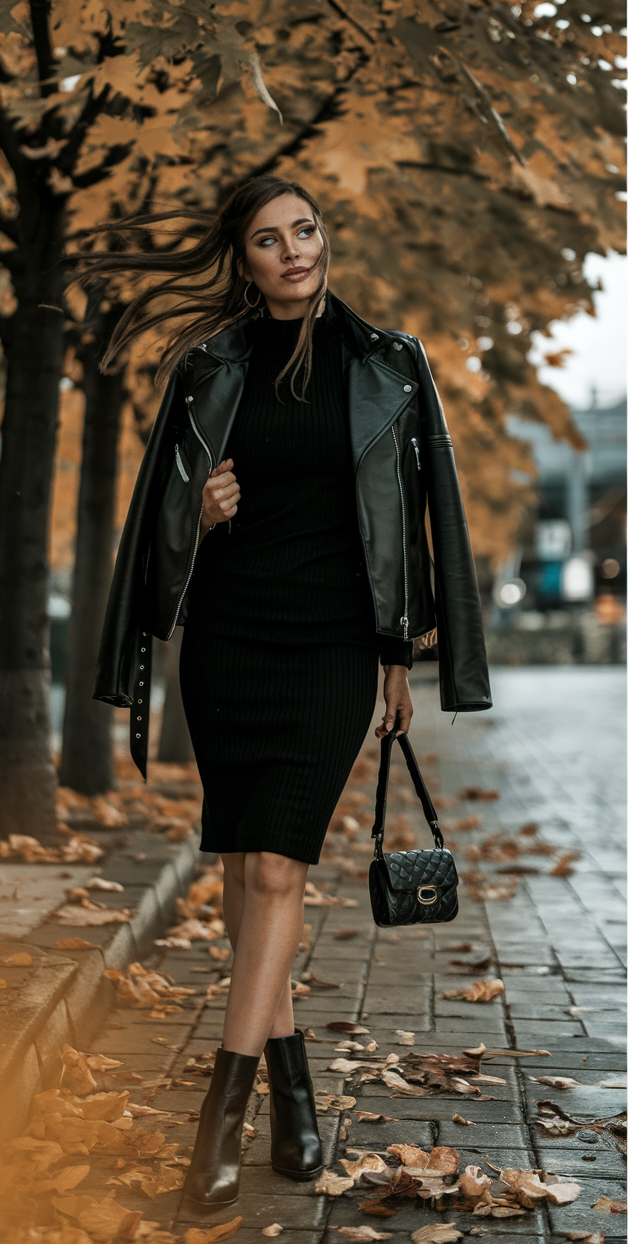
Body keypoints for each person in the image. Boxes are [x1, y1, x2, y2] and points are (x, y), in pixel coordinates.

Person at [92, 174, 491, 1210]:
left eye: (304, 230)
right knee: (238, 868)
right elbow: (157, 522)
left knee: (275, 867)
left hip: (330, 652)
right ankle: (289, 1074)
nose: (293, 251)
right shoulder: (208, 365)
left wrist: (400, 655)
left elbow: (410, 516)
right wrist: (202, 505)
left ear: (324, 237)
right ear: (244, 259)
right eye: (269, 240)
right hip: (227, 645)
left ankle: (218, 1118)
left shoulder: (390, 363)